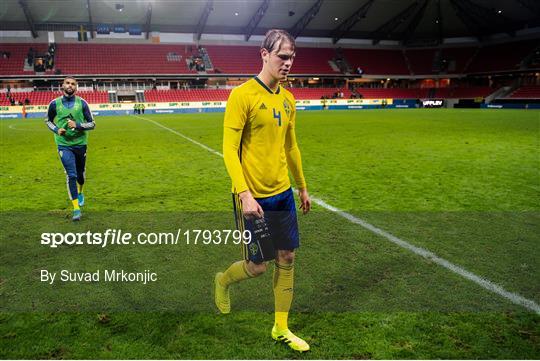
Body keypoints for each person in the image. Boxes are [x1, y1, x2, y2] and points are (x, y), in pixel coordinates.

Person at [215, 29, 312, 352]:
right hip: (254, 197)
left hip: (283, 192)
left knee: (287, 257)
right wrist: (244, 194)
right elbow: (229, 149)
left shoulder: (288, 99)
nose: (288, 63)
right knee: (258, 267)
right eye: (283, 56)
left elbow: (292, 146)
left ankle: (280, 328)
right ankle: (223, 280)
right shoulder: (242, 96)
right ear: (264, 54)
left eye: (292, 57)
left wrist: (302, 187)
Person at [45, 76, 95, 221]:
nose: (70, 85)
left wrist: (77, 125)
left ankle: (80, 192)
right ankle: (76, 209)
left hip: (80, 144)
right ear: (63, 85)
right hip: (63, 144)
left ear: (76, 87)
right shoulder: (54, 104)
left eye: (73, 84)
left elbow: (92, 124)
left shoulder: (82, 103)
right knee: (71, 175)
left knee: (80, 175)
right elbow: (48, 120)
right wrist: (56, 129)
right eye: (67, 83)